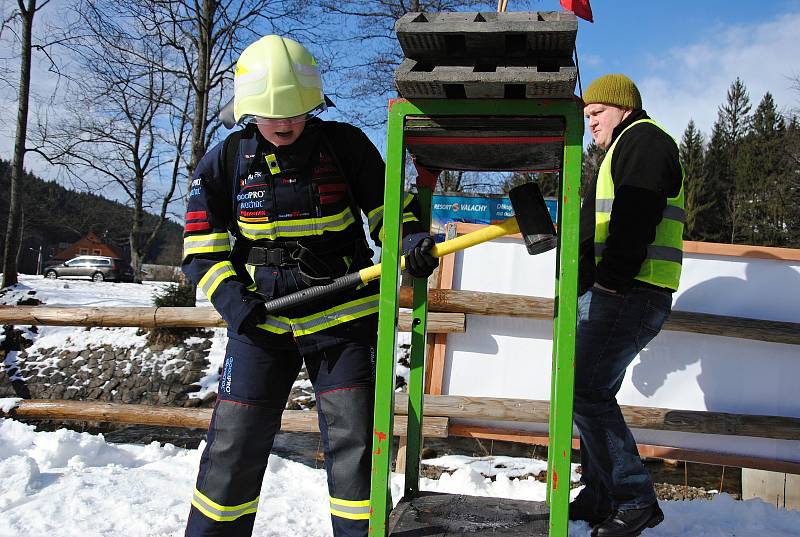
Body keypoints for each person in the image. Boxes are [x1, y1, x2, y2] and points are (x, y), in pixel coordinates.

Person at [181, 35, 438, 537]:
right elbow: (200, 247)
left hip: (343, 324)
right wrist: (238, 306)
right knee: (232, 444)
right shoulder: (225, 161)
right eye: (274, 115)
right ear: (249, 110)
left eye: (297, 113)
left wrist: (410, 241)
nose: (286, 123)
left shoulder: (346, 146)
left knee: (355, 448)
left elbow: (388, 214)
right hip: (261, 324)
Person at [570, 74, 684, 537]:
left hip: (631, 292)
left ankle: (634, 497)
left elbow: (637, 212)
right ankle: (603, 492)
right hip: (625, 291)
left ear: (623, 109)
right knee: (592, 391)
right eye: (586, 117)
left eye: (596, 113)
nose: (590, 124)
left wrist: (611, 280)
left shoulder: (644, 140)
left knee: (586, 391)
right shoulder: (622, 150)